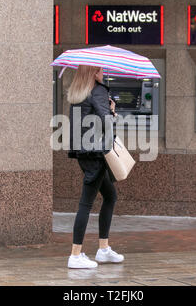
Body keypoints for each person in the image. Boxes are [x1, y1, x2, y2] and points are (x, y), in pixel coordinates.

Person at [67, 65, 124, 269]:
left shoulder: (78, 93)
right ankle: (75, 254)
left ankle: (103, 249)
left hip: (84, 152)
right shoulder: (98, 90)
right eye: (100, 70)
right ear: (93, 73)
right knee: (86, 203)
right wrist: (112, 112)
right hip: (97, 153)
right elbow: (105, 121)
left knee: (110, 196)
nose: (103, 73)